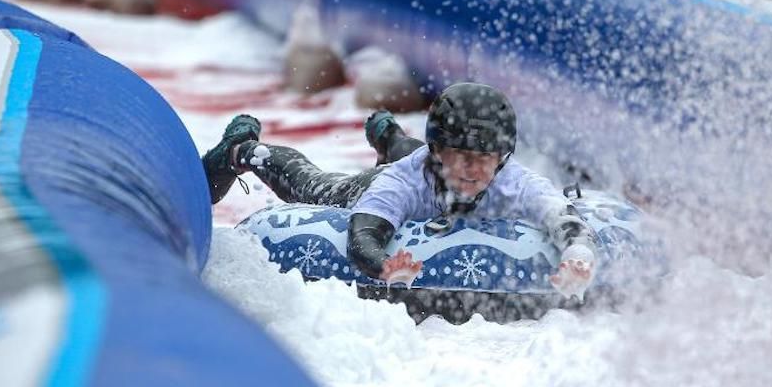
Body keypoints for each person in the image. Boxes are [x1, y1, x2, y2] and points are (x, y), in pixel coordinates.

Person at [202, 82, 598, 299]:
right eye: (460, 154)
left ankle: (388, 134)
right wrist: (383, 265)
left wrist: (578, 255)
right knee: (311, 183)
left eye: (486, 156)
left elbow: (563, 216)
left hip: (421, 160)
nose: (474, 168)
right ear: (439, 150)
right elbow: (363, 233)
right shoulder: (403, 181)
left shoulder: (515, 181)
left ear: (503, 155)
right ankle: (243, 148)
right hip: (365, 187)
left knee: (413, 156)